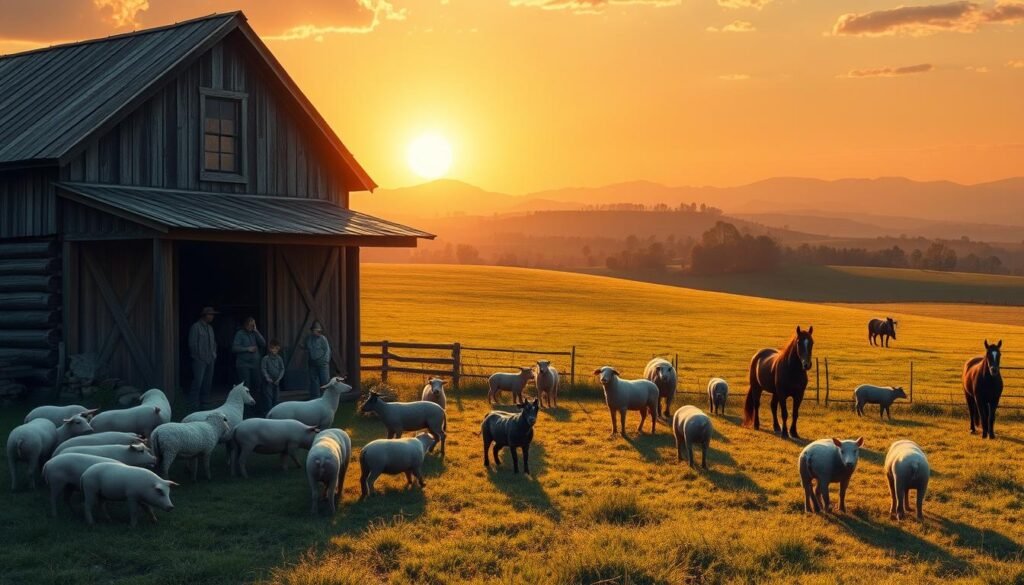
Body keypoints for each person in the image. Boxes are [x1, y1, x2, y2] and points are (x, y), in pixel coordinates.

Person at [188, 306, 219, 411]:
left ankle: (204, 402)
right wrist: (197, 357)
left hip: (210, 359)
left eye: (213, 315)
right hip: (199, 360)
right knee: (198, 382)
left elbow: (214, 342)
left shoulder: (210, 328)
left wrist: (214, 354)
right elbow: (192, 344)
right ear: (205, 315)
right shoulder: (195, 327)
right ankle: (193, 404)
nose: (212, 317)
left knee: (208, 382)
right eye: (211, 314)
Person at [232, 316, 266, 405]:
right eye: (250, 324)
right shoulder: (240, 333)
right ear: (245, 324)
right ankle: (246, 409)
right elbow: (234, 348)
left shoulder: (254, 333)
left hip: (255, 364)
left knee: (257, 385)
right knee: (246, 387)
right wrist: (247, 349)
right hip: (243, 364)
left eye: (253, 324)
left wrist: (256, 331)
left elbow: (263, 343)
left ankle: (257, 407)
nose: (251, 326)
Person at [305, 321, 331, 398]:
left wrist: (324, 362)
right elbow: (308, 349)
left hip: (323, 364)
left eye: (318, 330)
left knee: (325, 382)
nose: (317, 332)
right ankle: (315, 399)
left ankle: (326, 398)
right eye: (315, 330)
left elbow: (327, 351)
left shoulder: (323, 339)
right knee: (314, 383)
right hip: (312, 364)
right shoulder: (309, 339)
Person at [261, 339, 285, 416]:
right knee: (268, 399)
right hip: (268, 382)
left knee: (276, 398)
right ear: (270, 348)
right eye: (273, 348)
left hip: (276, 382)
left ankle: (276, 414)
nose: (275, 350)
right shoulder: (265, 358)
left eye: (277, 349)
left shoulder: (279, 358)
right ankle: (268, 414)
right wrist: (267, 378)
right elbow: (263, 369)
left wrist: (279, 379)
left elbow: (282, 369)